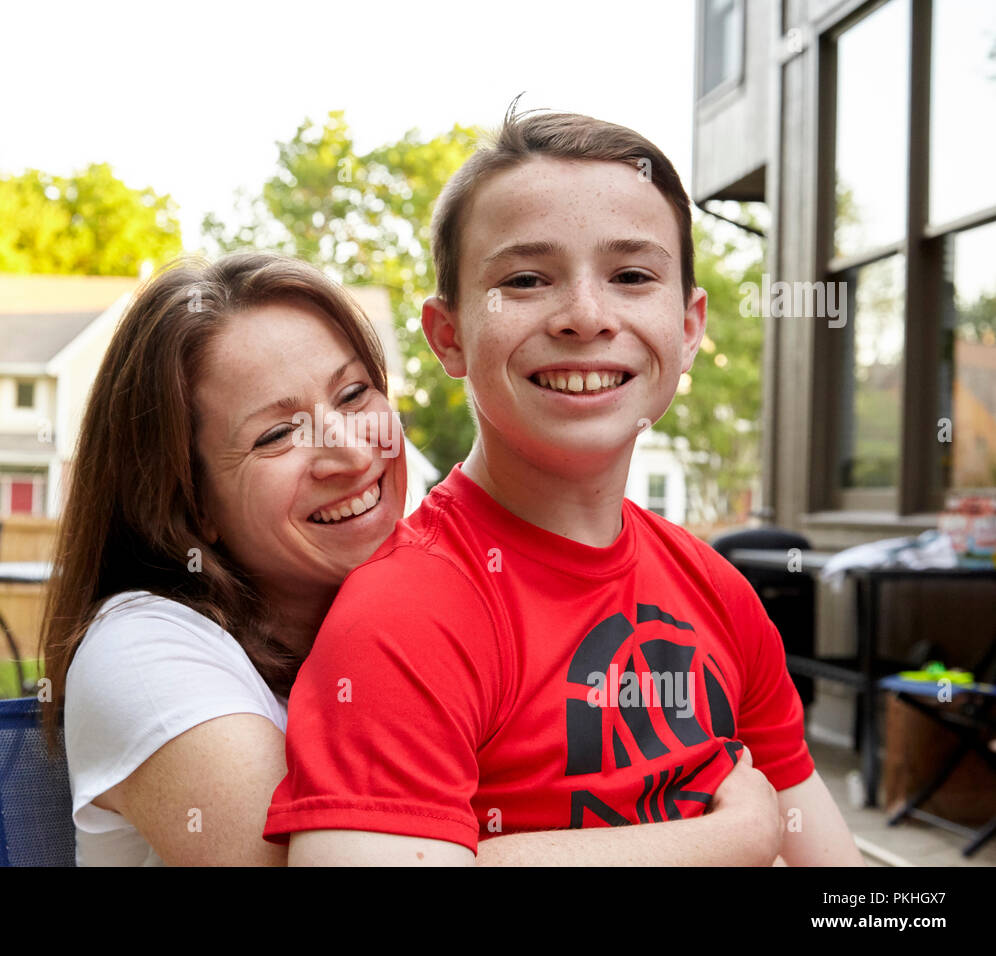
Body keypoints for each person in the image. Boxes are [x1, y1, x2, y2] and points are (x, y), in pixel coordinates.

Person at [263, 107, 864, 866]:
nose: (585, 316)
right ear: (448, 335)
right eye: (525, 279)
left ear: (687, 328)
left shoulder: (720, 592)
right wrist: (731, 838)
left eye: (632, 276)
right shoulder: (405, 617)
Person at [41, 252, 410, 865]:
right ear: (189, 505)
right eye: (276, 435)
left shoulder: (418, 608)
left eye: (352, 394)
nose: (347, 453)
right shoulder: (140, 652)